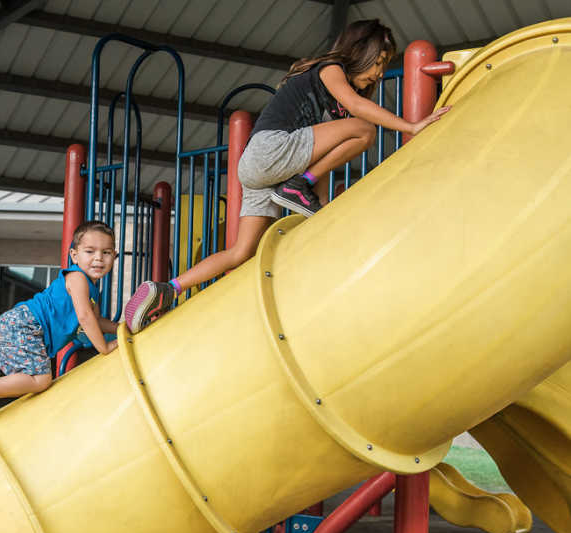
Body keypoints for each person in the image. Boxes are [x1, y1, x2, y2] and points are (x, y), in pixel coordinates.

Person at [124, 19, 451, 334]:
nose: (380, 71)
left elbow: (319, 163)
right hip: (271, 151)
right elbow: (355, 106)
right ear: (359, 51)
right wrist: (411, 126)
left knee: (241, 252)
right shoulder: (330, 70)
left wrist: (320, 212)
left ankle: (167, 288)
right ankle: (296, 186)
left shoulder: (331, 113)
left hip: (262, 166)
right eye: (378, 61)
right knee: (365, 131)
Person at [0, 220, 119, 421]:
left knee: (29, 380)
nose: (98, 258)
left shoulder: (91, 289)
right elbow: (85, 318)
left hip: (19, 325)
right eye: (90, 251)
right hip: (25, 325)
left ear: (114, 256)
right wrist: (105, 347)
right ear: (74, 256)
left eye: (106, 252)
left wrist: (119, 328)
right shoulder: (77, 278)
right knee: (41, 380)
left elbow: (95, 320)